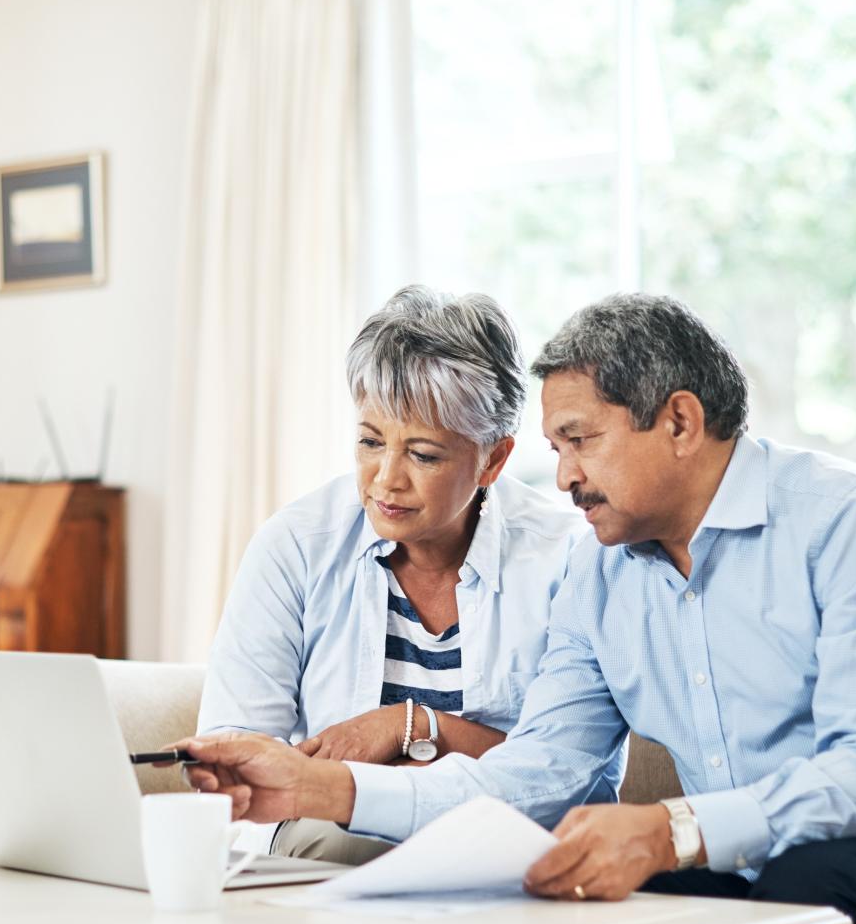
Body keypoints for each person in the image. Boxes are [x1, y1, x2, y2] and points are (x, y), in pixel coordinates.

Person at [178, 292, 856, 924]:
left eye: (579, 441)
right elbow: (538, 772)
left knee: (812, 894)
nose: (562, 475)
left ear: (678, 421)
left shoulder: (852, 522)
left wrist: (670, 829)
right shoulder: (596, 572)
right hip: (754, 859)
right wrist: (323, 791)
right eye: (555, 447)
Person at [193, 283, 620, 864]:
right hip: (330, 847)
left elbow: (568, 776)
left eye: (422, 454)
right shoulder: (296, 545)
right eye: (370, 441)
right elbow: (238, 751)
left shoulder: (567, 558)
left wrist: (412, 725)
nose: (384, 479)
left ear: (492, 459)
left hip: (507, 847)